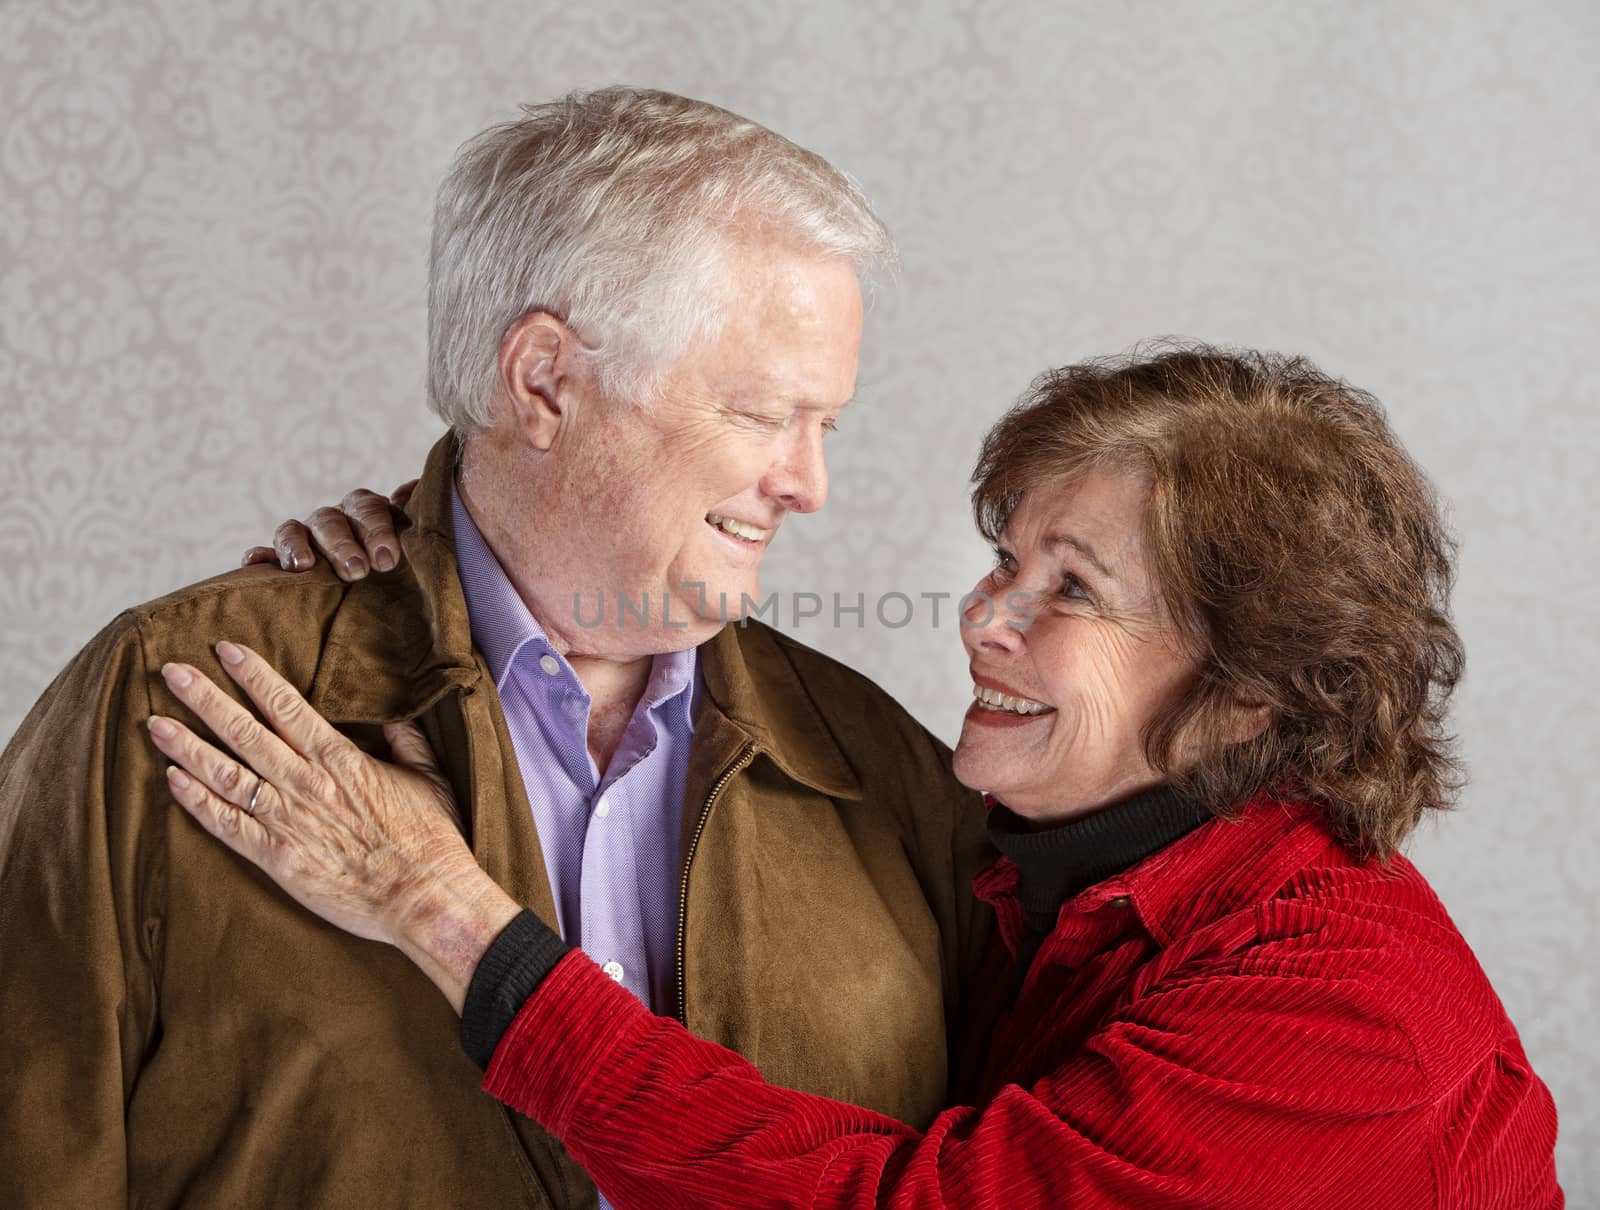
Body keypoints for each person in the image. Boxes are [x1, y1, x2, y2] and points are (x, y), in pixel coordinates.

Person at [155, 345, 1563, 1207]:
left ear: (1250, 690)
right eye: (1009, 557)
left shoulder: (1345, 1013)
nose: (983, 618)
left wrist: (444, 911)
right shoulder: (1024, 866)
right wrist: (444, 561)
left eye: (1070, 589)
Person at [0, 88, 990, 1208]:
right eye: (762, 413)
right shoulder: (179, 698)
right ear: (544, 381)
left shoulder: (891, 773)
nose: (808, 485)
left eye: (826, 426)